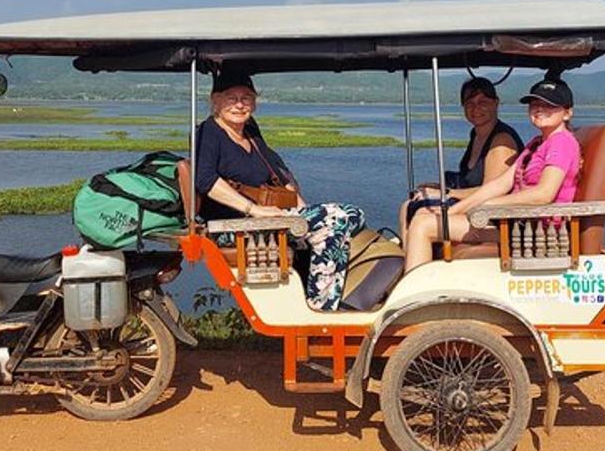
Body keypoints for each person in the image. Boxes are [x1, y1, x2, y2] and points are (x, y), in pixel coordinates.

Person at [195, 69, 365, 311]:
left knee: (349, 216)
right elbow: (205, 180)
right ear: (216, 100)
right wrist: (253, 210)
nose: (240, 105)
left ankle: (326, 299)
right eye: (231, 98)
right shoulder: (208, 133)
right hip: (236, 226)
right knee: (340, 217)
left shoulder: (250, 131)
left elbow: (278, 172)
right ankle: (322, 306)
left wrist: (303, 210)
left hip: (268, 218)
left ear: (254, 102)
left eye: (246, 98)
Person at [403, 77, 581, 271]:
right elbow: (499, 185)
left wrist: (488, 205)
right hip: (514, 222)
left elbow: (543, 194)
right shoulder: (536, 144)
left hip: (535, 231)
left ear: (567, 112)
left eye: (549, 105)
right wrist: (452, 210)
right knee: (423, 216)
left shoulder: (561, 142)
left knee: (423, 225)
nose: (539, 109)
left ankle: (412, 294)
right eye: (535, 104)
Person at [398, 76, 523, 238]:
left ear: (496, 103)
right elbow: (471, 182)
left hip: (492, 219)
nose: (476, 108)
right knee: (407, 206)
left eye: (483, 102)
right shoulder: (476, 135)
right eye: (469, 103)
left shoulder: (502, 141)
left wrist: (448, 193)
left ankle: (416, 262)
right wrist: (439, 188)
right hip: (473, 209)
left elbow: (491, 192)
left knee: (423, 216)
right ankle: (407, 257)